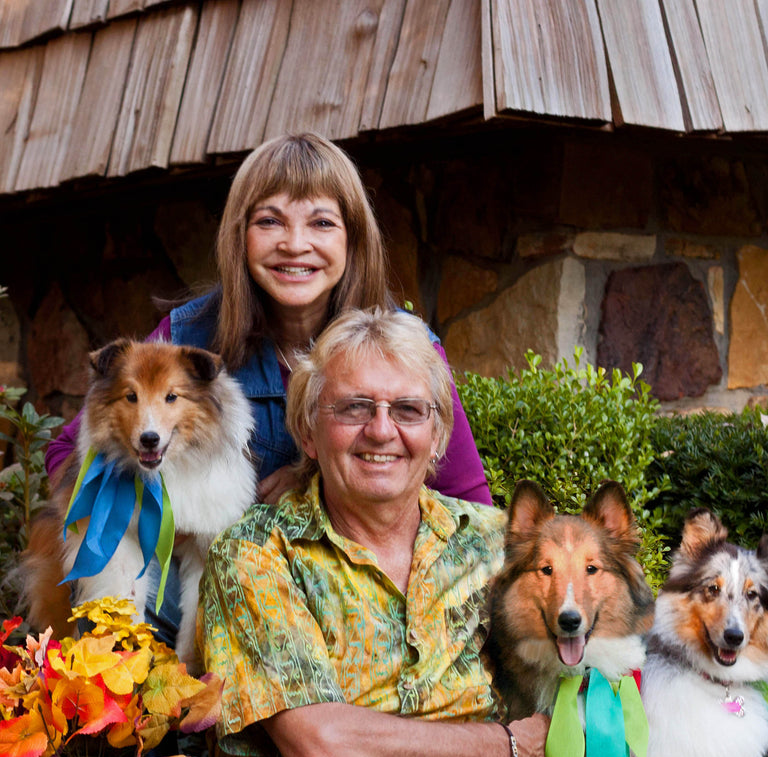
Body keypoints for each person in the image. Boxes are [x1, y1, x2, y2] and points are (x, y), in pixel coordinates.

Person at [162, 308, 765, 757]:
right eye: (354, 407)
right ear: (307, 428)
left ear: (438, 433)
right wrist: (507, 748)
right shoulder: (255, 553)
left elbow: (627, 648)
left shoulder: (500, 548)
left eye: (407, 410)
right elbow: (318, 744)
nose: (382, 430)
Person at [45, 131, 490, 510]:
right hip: (204, 591)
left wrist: (316, 484)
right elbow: (66, 455)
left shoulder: (408, 350)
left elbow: (467, 502)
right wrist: (175, 517)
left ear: (353, 240)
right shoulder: (188, 338)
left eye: (321, 223)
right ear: (240, 237)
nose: (295, 244)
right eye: (270, 221)